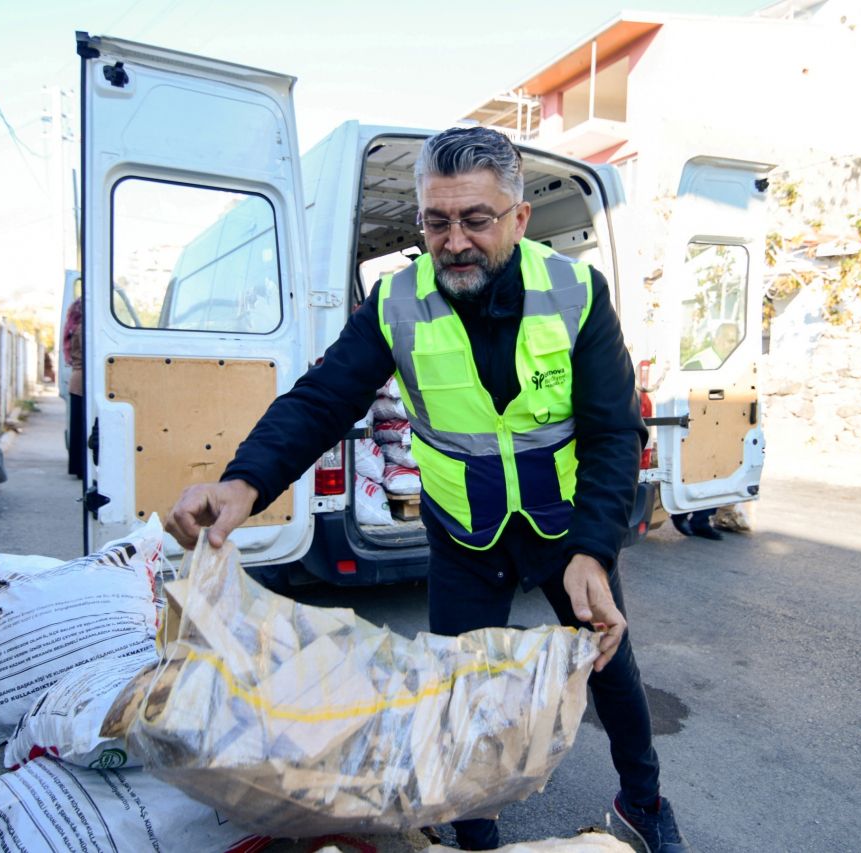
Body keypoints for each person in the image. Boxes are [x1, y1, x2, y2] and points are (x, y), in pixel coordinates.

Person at [165, 127, 688, 852]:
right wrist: (244, 481)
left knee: (610, 665)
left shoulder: (575, 292)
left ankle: (643, 801)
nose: (454, 241)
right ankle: (474, 830)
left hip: (566, 528)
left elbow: (612, 430)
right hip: (464, 533)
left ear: (519, 218)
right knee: (460, 690)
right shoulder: (397, 302)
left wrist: (594, 549)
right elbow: (322, 398)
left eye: (476, 219)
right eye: (436, 221)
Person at [61, 297, 85, 479]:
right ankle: (81, 468)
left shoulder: (74, 328)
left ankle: (77, 467)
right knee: (81, 427)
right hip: (82, 381)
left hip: (77, 380)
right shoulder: (83, 329)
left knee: (77, 426)